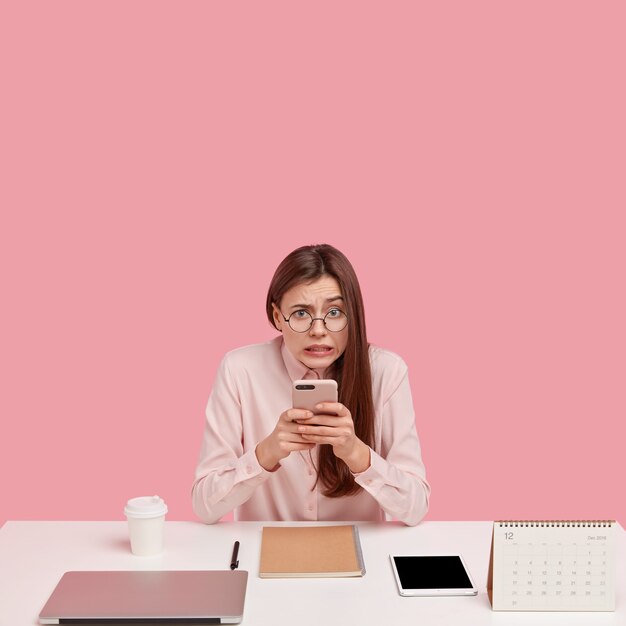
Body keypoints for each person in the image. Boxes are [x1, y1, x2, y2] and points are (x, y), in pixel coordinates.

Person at [192, 244, 430, 526]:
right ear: (278, 317)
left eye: (334, 312)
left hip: (360, 556)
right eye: (301, 313)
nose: (319, 330)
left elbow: (416, 508)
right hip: (265, 553)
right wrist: (266, 453)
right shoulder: (239, 369)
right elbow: (204, 506)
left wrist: (357, 453)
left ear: (352, 316)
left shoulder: (386, 371)